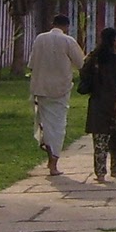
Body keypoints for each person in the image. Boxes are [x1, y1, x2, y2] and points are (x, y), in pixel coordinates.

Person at [28, 14, 85, 176]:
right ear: (66, 26)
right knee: (58, 126)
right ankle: (53, 164)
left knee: (45, 124)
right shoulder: (68, 41)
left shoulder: (40, 39)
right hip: (60, 89)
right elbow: (81, 63)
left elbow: (32, 64)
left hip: (40, 88)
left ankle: (50, 160)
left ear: (53, 24)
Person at [80, 26, 116, 182]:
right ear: (114, 40)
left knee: (100, 140)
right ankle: (115, 169)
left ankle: (100, 173)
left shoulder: (93, 57)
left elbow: (83, 73)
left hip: (98, 103)